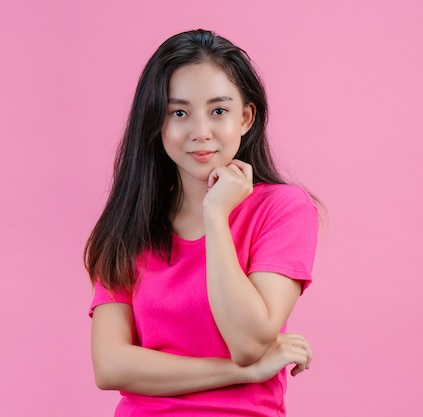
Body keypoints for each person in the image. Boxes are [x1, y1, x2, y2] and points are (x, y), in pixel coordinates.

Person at [83, 29, 318, 417]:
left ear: (245, 117)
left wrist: (216, 215)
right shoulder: (127, 225)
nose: (200, 132)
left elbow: (247, 340)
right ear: (157, 124)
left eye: (218, 111)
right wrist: (242, 372)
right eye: (179, 113)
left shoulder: (283, 209)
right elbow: (110, 366)